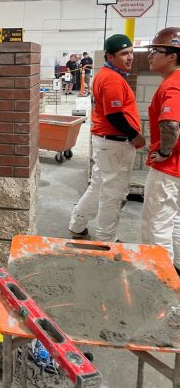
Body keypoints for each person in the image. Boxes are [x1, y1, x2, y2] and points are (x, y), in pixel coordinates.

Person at [69, 34, 145, 241]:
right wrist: (135, 136)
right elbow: (114, 115)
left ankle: (77, 224)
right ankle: (106, 240)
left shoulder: (106, 74)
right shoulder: (112, 79)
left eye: (131, 52)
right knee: (114, 192)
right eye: (124, 54)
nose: (130, 57)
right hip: (115, 144)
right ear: (110, 56)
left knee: (99, 185)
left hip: (106, 142)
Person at [140, 27, 180, 276]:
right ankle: (175, 274)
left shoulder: (173, 85)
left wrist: (164, 152)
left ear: (172, 56)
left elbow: (171, 124)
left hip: (168, 169)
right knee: (174, 222)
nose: (150, 55)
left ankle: (159, 281)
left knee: (156, 227)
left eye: (156, 51)